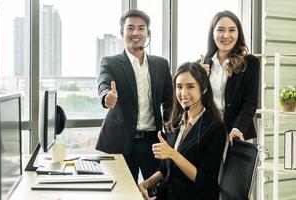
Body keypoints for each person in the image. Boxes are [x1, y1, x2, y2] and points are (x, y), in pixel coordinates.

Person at [96, 9, 173, 184]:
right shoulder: (111, 62)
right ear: (122, 32)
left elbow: (169, 101)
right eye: (130, 28)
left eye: (141, 28)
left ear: (148, 33)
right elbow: (104, 84)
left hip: (153, 142)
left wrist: (171, 131)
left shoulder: (161, 64)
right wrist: (107, 96)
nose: (135, 33)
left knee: (157, 191)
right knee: (121, 192)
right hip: (121, 142)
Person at [138, 62, 227, 200]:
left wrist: (173, 154)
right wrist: (145, 184)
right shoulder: (176, 122)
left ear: (203, 89)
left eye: (190, 87)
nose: (183, 93)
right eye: (179, 87)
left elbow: (204, 179)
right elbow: (164, 169)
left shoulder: (215, 127)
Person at [199, 10, 260, 145]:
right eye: (220, 30)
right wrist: (199, 79)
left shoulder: (250, 63)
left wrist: (237, 129)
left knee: (235, 167)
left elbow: (250, 103)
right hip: (207, 133)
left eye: (232, 30)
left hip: (236, 134)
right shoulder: (201, 65)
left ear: (238, 34)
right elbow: (193, 103)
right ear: (212, 34)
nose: (226, 35)